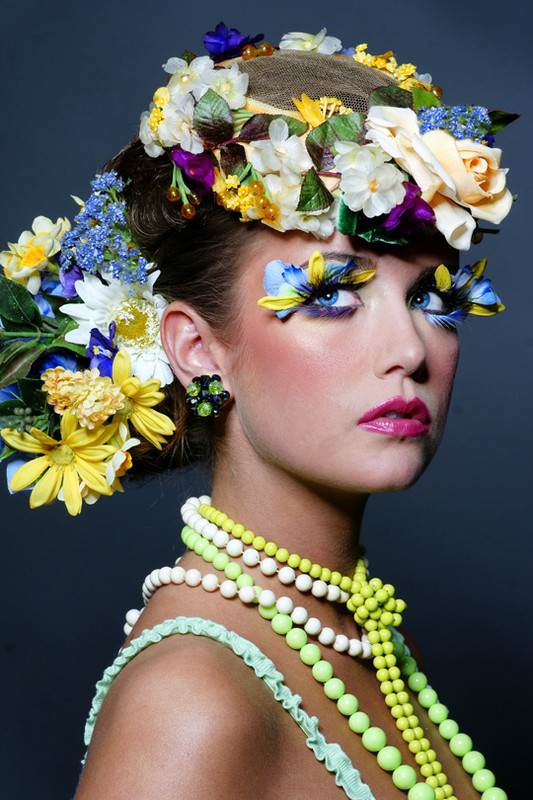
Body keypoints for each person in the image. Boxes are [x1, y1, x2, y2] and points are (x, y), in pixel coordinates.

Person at [0, 23, 515, 800]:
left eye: (430, 297)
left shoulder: (363, 632)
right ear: (198, 348)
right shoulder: (193, 699)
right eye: (330, 293)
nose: (410, 349)